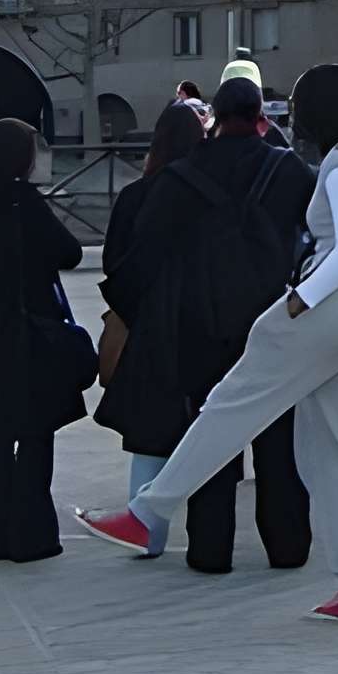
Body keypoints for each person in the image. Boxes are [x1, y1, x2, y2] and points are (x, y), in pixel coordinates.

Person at [80, 64, 338, 622]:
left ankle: (148, 511)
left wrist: (300, 300)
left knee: (229, 405)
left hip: (328, 305)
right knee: (331, 451)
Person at [85, 76, 311, 570]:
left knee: (212, 434)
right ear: (260, 119)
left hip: (201, 325)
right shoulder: (290, 171)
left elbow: (143, 255)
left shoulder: (180, 177)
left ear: (213, 121)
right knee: (278, 439)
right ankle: (288, 545)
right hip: (275, 321)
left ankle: (212, 550)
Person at [0, 117, 86, 565]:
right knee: (34, 433)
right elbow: (69, 251)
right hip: (34, 327)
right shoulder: (23, 202)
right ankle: (32, 536)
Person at [97, 99, 208, 506]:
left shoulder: (134, 196)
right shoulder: (208, 194)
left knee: (149, 432)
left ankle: (143, 522)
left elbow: (114, 263)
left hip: (146, 325)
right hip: (201, 323)